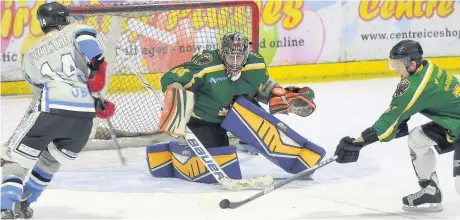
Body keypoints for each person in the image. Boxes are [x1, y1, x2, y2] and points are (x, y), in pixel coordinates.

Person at [146, 32, 326, 183]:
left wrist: (286, 97)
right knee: (222, 162)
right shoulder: (207, 64)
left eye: (238, 56)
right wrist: (175, 90)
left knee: (267, 130)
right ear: (221, 52)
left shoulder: (256, 65)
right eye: (229, 55)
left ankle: (297, 159)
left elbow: (266, 90)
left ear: (246, 55)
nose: (233, 61)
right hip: (204, 120)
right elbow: (171, 76)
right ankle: (172, 154)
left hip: (240, 115)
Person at [1, 2, 115, 219]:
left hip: (51, 111)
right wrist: (97, 72)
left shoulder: (31, 55)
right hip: (83, 121)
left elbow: (39, 90)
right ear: (64, 19)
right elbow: (89, 45)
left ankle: (6, 207)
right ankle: (25, 204)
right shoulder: (76, 30)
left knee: (13, 159)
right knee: (50, 161)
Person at [334, 39, 460, 212]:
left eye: (399, 64)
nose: (395, 68)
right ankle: (430, 190)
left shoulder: (415, 87)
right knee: (417, 138)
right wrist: (403, 119)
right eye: (393, 63)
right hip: (455, 124)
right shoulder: (427, 67)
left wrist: (357, 143)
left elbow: (386, 124)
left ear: (413, 64)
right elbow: (419, 103)